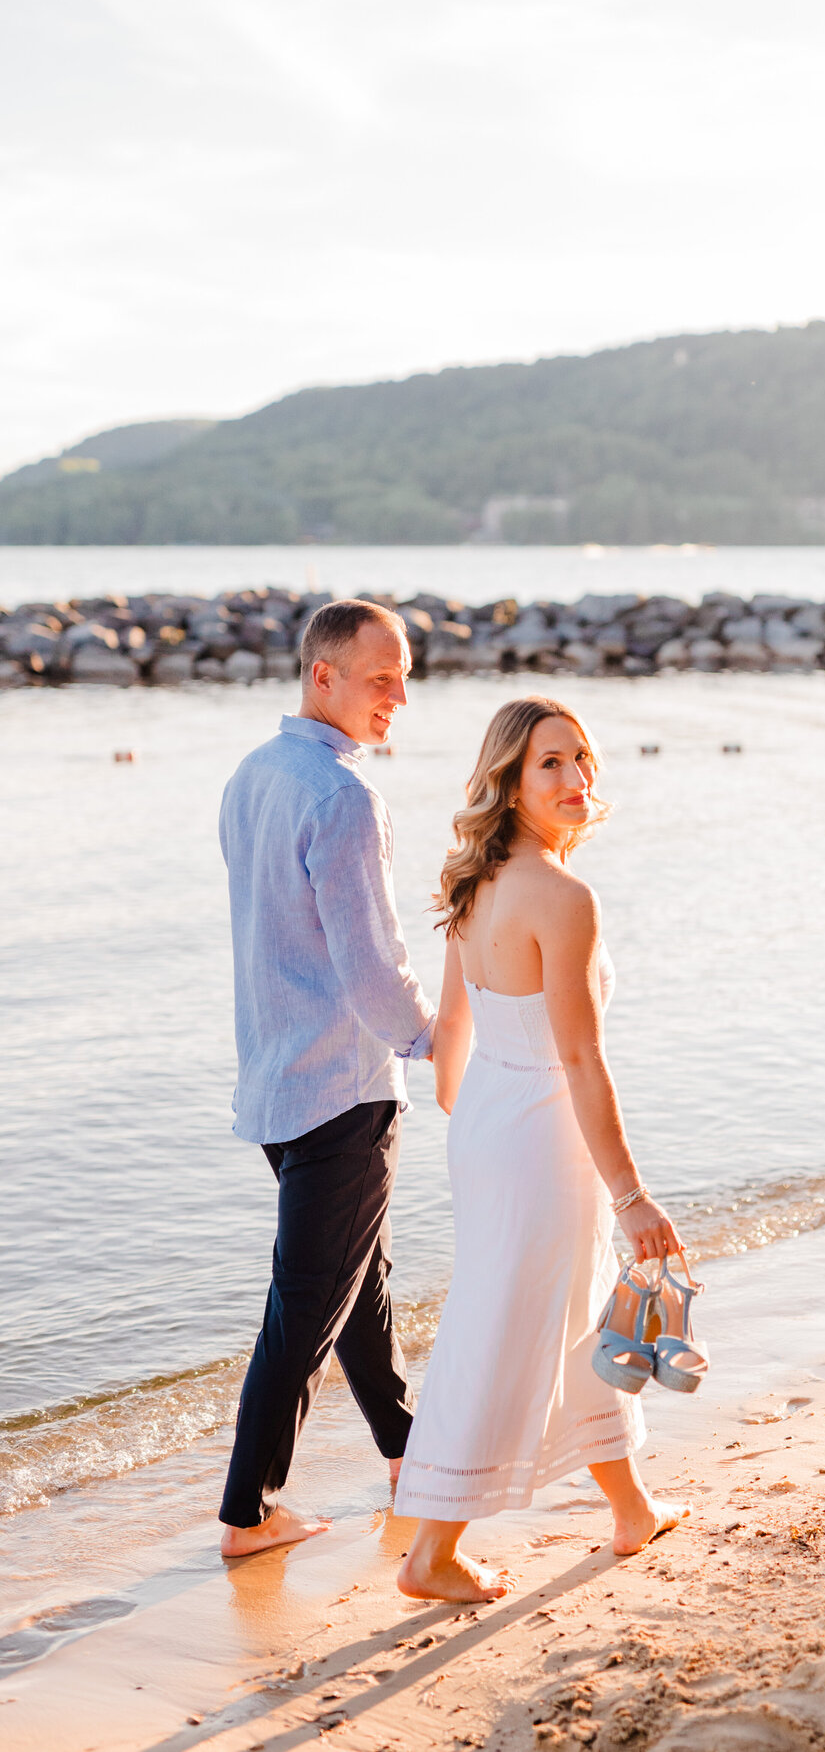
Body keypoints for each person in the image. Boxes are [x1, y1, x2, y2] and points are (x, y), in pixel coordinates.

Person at [393, 695, 688, 1603]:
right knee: (505, 1328)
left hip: (492, 1121)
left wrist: (467, 1117)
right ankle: (431, 1552)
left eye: (581, 760)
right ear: (509, 781)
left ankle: (631, 1509)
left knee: (575, 1317)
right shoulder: (563, 898)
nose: (574, 780)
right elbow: (580, 1057)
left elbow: (455, 1033)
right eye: (549, 764)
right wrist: (633, 1195)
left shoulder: (475, 883)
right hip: (541, 1132)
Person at [217, 599, 437, 1557]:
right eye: (380, 678)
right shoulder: (344, 799)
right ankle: (249, 1513)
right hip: (341, 1089)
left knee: (358, 1283)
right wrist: (437, 1043)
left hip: (273, 1080)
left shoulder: (253, 774)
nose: (397, 698)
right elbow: (373, 967)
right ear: (324, 677)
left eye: (405, 680)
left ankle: (408, 1452)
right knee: (306, 1304)